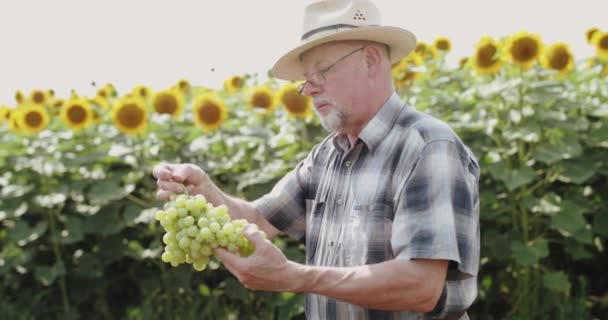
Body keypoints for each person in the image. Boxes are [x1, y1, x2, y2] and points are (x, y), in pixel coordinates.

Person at [153, 0, 480, 319]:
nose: (308, 90)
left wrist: (297, 276)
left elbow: (422, 286)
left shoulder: (427, 146)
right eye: (305, 79)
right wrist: (205, 190)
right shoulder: (327, 155)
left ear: (369, 61)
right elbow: (256, 221)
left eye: (321, 71)